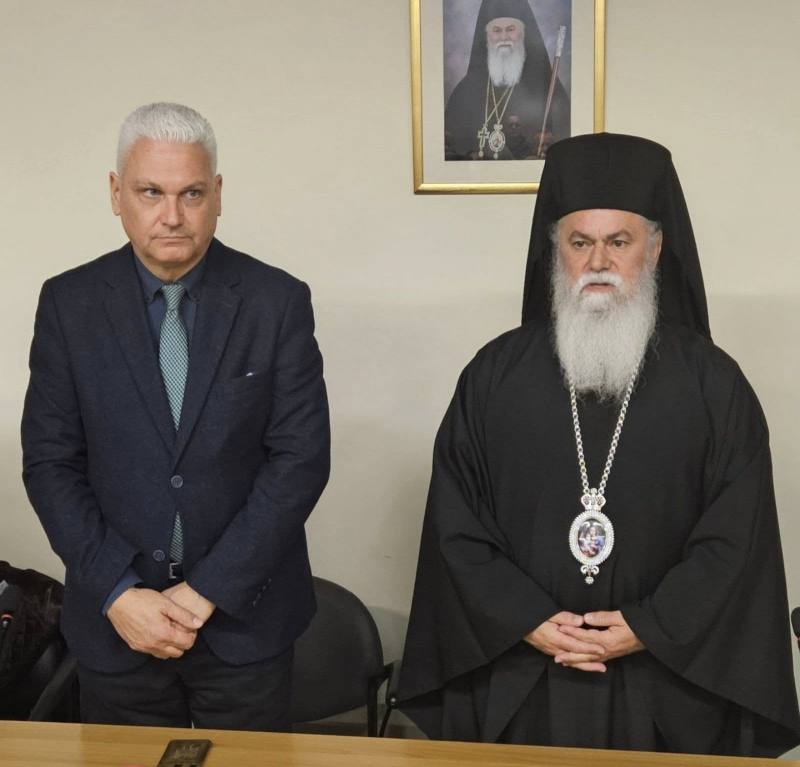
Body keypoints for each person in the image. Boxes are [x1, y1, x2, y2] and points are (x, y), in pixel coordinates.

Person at [398, 133, 800, 755]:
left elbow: (734, 537)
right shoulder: (493, 375)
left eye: (619, 241)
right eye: (579, 242)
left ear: (655, 248)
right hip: (524, 675)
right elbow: (456, 523)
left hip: (666, 686)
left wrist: (649, 626)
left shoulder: (713, 384)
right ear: (554, 250)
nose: (598, 262)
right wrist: (525, 619)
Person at [21, 102, 330, 730]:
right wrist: (118, 592)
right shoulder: (68, 304)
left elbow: (299, 461)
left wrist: (208, 589)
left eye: (191, 193)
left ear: (217, 194)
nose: (172, 215)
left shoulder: (276, 301)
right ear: (116, 194)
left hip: (245, 626)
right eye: (150, 192)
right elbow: (51, 464)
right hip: (117, 626)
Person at [445, 0, 570, 161]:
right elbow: (448, 149)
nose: (504, 37)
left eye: (511, 29)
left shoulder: (547, 86)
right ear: (487, 36)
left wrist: (548, 150)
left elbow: (566, 143)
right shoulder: (465, 91)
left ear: (523, 34)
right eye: (496, 30)